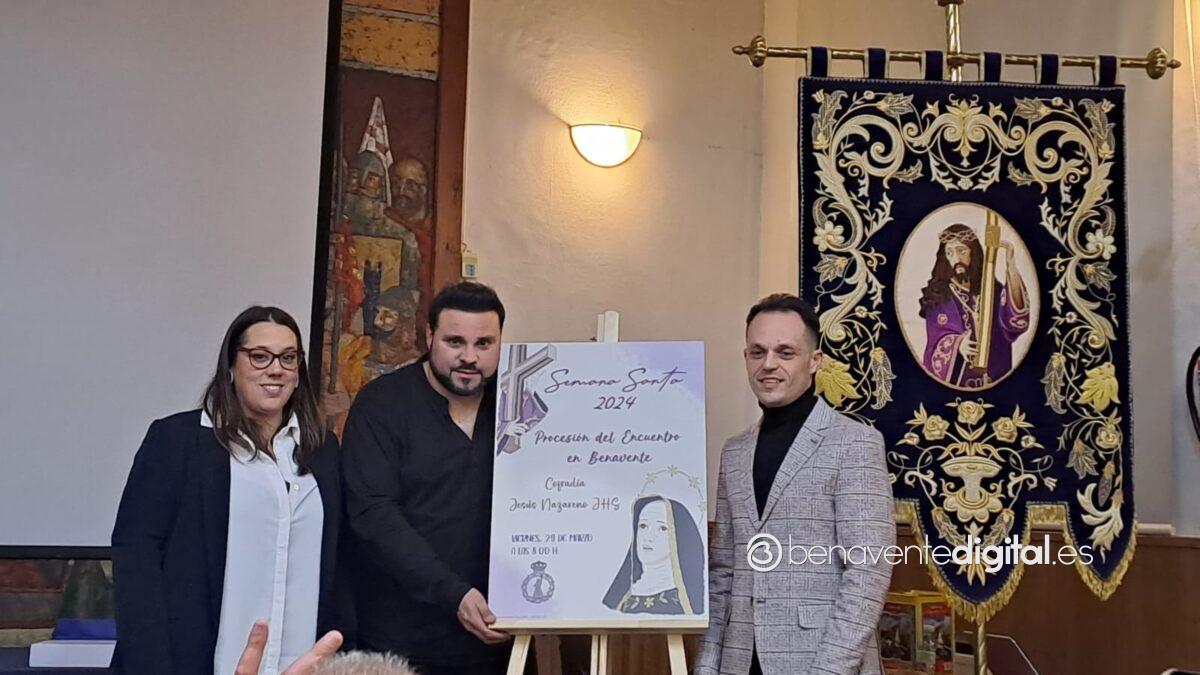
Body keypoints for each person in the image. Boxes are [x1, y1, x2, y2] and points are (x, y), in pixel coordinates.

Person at [111, 306, 352, 674]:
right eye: (260, 357)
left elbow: (339, 565)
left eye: (288, 358)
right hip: (194, 662)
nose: (276, 369)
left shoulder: (322, 450)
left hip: (299, 661)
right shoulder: (177, 441)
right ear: (230, 366)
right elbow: (137, 558)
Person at [696, 294, 895, 675]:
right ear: (746, 357)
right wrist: (706, 665)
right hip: (738, 660)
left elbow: (867, 572)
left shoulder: (855, 443)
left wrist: (829, 670)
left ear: (814, 360)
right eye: (758, 352)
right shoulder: (734, 452)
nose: (769, 364)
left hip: (822, 662)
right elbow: (723, 572)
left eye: (785, 352)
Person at [341, 281, 513, 674]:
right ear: (429, 336)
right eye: (455, 342)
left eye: (484, 344)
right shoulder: (382, 404)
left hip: (503, 639)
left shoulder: (520, 406)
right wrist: (455, 594)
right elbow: (374, 516)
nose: (469, 357)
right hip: (401, 644)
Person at [918, 223, 1029, 388]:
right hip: (958, 382)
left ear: (973, 252)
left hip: (997, 380)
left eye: (961, 251)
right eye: (950, 253)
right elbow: (935, 342)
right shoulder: (937, 297)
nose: (956, 259)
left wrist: (1011, 266)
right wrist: (957, 345)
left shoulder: (991, 289)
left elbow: (1015, 322)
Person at [602, 495, 706, 615]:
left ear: (678, 536)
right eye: (643, 526)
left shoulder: (681, 600)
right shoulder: (624, 598)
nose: (648, 537)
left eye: (662, 528)